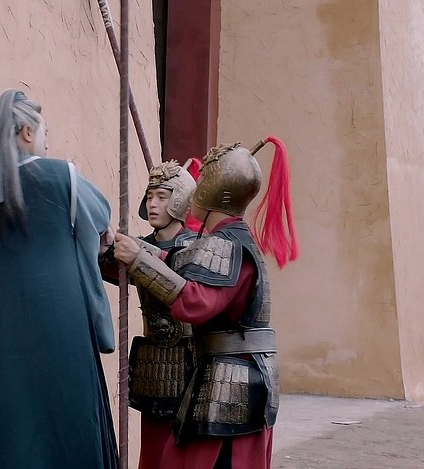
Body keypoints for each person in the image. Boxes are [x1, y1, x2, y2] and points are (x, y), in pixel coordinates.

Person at [0, 89, 118, 468]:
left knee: (10, 428)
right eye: (45, 132)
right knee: (70, 421)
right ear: (28, 132)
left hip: (0, 332)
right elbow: (100, 222)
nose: (47, 142)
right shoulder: (63, 177)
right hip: (64, 325)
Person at [113, 139, 298, 469]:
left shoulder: (226, 243)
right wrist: (139, 252)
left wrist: (139, 260)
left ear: (212, 193)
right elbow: (178, 260)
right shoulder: (231, 239)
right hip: (234, 376)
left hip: (231, 383)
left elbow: (195, 303)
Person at [102, 159, 198, 469]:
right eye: (150, 196)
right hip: (153, 362)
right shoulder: (138, 245)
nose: (152, 203)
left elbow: (183, 279)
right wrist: (103, 244)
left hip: (191, 358)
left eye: (162, 196)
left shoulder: (197, 247)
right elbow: (109, 268)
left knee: (182, 451)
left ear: (179, 200)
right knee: (153, 452)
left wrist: (138, 256)